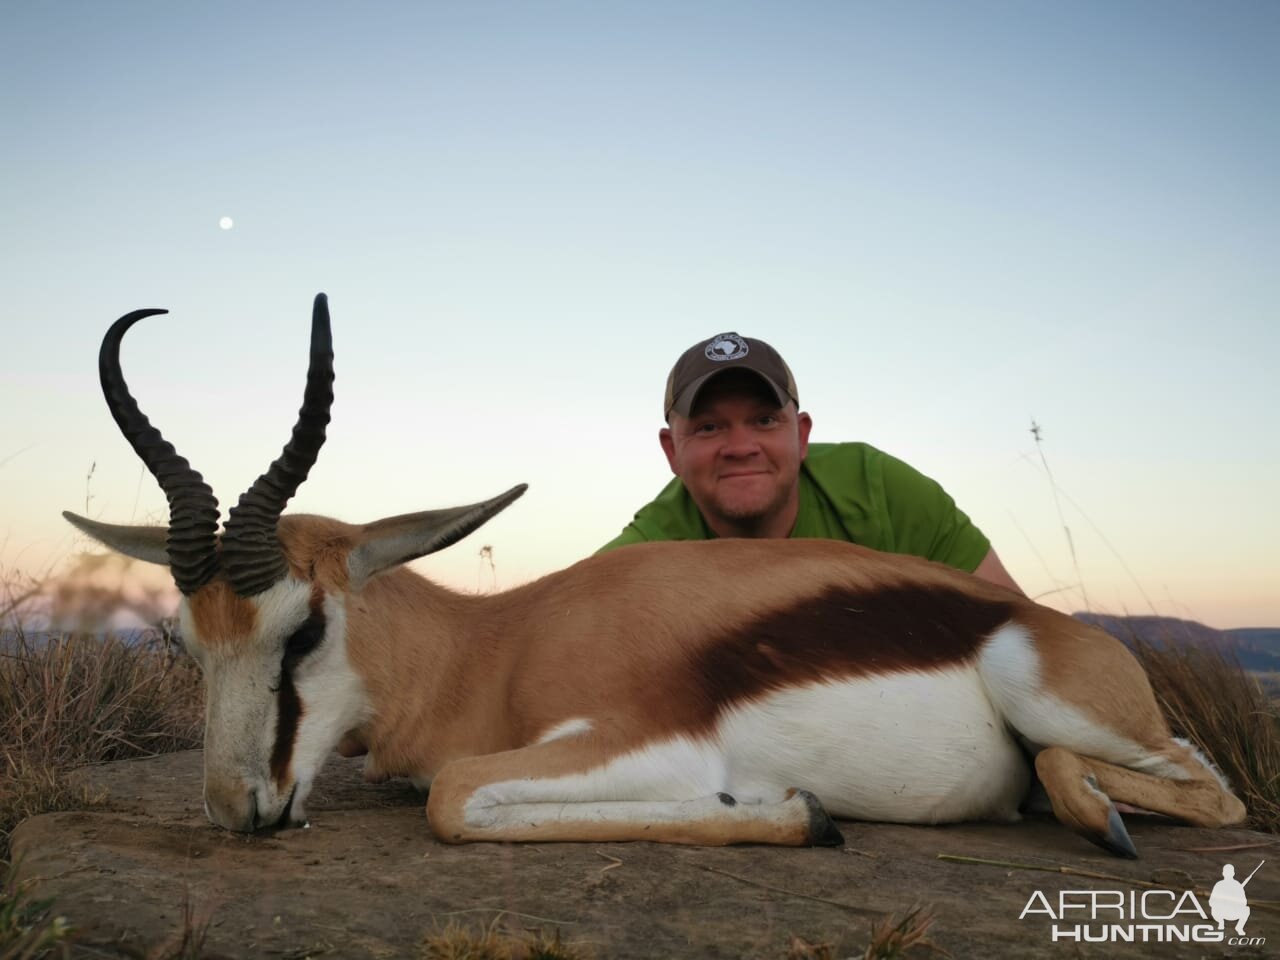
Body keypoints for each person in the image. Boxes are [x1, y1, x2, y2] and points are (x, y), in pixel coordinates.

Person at [597, 331, 1024, 595]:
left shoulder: (878, 489)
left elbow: (1021, 624)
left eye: (764, 420)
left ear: (801, 436)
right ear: (672, 451)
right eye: (709, 427)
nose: (741, 446)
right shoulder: (644, 554)